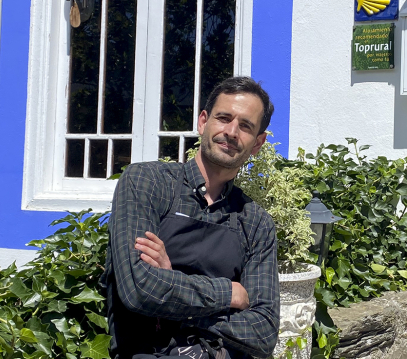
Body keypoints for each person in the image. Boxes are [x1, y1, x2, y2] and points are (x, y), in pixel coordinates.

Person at [104, 76, 280, 359]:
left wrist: (171, 286)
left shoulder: (256, 222)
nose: (232, 132)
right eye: (224, 118)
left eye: (245, 126)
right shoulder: (148, 184)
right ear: (203, 122)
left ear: (257, 143)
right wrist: (229, 294)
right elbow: (139, 288)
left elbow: (264, 331)